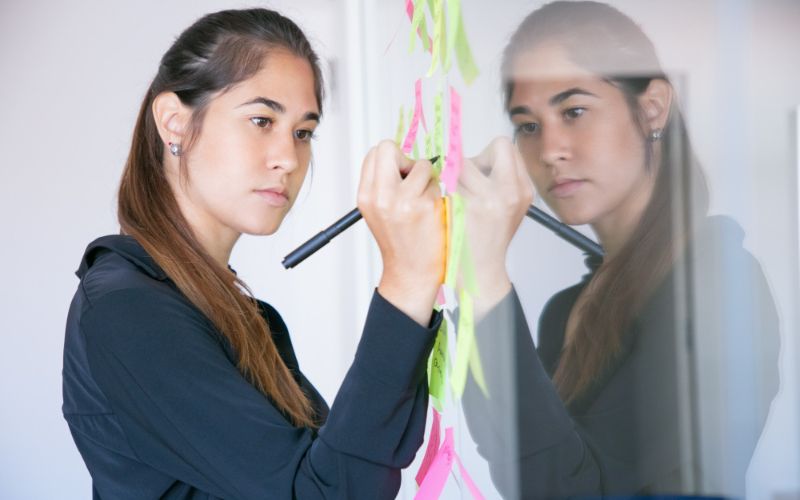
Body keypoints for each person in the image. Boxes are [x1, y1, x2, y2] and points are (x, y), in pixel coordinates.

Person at [61, 8, 444, 499]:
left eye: (303, 132)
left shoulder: (233, 313)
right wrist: (407, 280)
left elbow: (335, 470)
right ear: (175, 123)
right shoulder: (128, 309)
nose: (288, 157)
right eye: (262, 120)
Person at [457, 1, 780, 497]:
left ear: (651, 108)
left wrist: (486, 272)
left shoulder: (715, 281)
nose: (550, 150)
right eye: (528, 125)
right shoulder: (564, 311)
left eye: (574, 111)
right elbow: (522, 474)